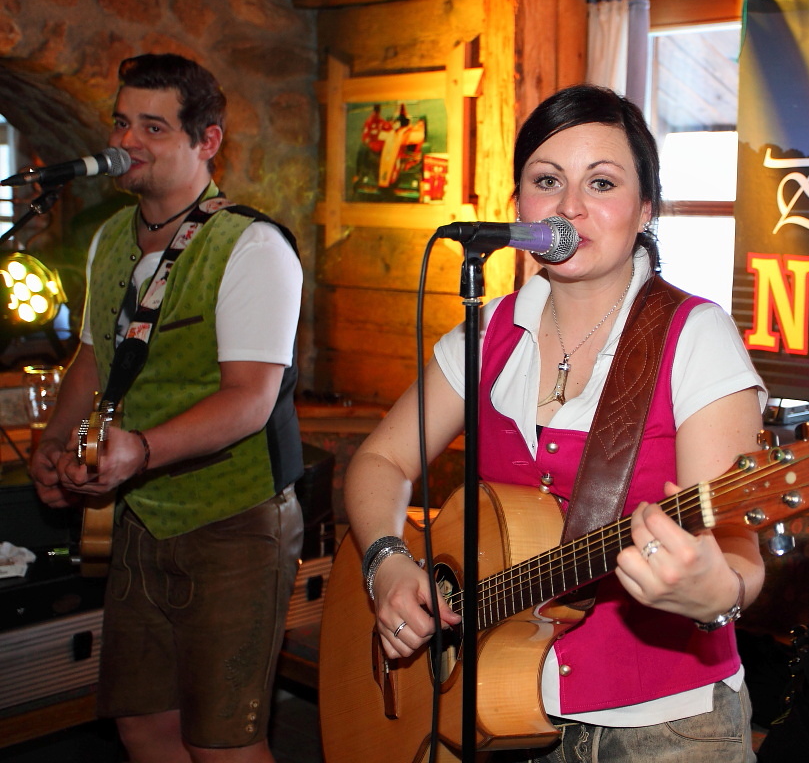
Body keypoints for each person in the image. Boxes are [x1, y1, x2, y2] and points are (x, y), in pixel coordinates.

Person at [344, 83, 767, 762]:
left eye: (601, 182)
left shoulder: (695, 335)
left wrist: (717, 593)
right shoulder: (485, 337)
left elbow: (739, 553)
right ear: (519, 208)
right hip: (493, 709)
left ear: (645, 209)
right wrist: (388, 564)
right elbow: (379, 462)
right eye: (548, 181)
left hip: (664, 728)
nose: (570, 207)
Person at [29, 53, 304, 763]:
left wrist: (140, 451)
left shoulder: (251, 245)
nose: (128, 142)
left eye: (154, 127)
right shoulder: (109, 237)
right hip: (142, 519)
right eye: (123, 122)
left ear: (206, 141)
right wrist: (54, 441)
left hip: (234, 526)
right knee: (143, 724)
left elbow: (250, 400)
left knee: (223, 742)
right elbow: (93, 355)